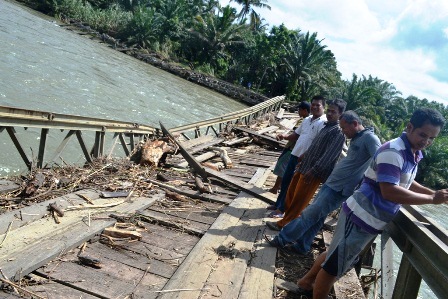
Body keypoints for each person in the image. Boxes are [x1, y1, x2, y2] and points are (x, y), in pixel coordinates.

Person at [294, 108, 448, 299]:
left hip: (367, 218)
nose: (426, 141)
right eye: (423, 135)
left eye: (431, 138)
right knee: (335, 266)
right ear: (409, 127)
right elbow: (389, 190)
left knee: (336, 255)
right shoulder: (394, 151)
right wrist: (433, 199)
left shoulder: (412, 152)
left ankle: (306, 282)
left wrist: (433, 193)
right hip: (360, 217)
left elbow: (406, 181)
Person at [265, 111, 381, 254]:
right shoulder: (358, 137)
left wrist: (371, 184)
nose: (343, 132)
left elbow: (381, 162)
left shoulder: (371, 139)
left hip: (340, 188)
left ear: (355, 124)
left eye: (344, 128)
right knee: (318, 217)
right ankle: (302, 246)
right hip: (333, 182)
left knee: (309, 214)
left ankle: (282, 239)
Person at [266, 99, 347, 231]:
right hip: (304, 166)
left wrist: (313, 171)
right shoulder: (326, 126)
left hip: (313, 173)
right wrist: (303, 158)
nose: (330, 114)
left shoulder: (338, 132)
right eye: (329, 111)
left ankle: (284, 225)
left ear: (340, 114)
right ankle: (285, 219)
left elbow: (328, 157)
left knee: (299, 200)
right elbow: (315, 146)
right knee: (291, 194)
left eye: (334, 112)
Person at [267, 96, 327, 217]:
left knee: (292, 186)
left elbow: (318, 145)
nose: (314, 107)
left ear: (323, 107)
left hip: (305, 160)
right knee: (285, 181)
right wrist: (285, 136)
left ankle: (282, 210)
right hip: (294, 155)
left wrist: (306, 156)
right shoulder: (307, 119)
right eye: (313, 104)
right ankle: (278, 204)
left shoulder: (323, 123)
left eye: (318, 105)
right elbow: (296, 134)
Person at [270, 101, 311, 194]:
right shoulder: (306, 121)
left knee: (282, 166)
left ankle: (275, 188)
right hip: (294, 148)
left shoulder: (306, 121)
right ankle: (279, 187)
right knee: (285, 167)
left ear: (305, 110)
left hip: (293, 149)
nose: (298, 112)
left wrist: (284, 136)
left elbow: (296, 136)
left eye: (299, 110)